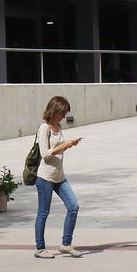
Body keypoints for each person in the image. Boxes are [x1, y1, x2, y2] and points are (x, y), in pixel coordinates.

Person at [33, 95, 83, 259]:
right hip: (45, 177)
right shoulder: (44, 128)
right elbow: (45, 153)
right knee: (43, 213)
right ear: (54, 111)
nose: (64, 116)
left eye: (65, 113)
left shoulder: (59, 126)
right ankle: (40, 248)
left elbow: (59, 150)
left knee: (73, 206)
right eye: (62, 113)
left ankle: (66, 244)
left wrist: (70, 145)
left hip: (59, 176)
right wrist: (64, 145)